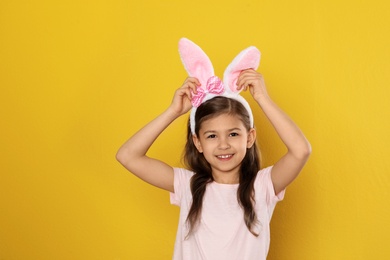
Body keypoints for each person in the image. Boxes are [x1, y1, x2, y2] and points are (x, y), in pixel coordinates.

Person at [116, 39, 311, 259]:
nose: (223, 144)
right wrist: (173, 111)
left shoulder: (263, 186)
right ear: (198, 142)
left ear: (250, 137)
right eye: (211, 136)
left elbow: (300, 150)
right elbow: (127, 156)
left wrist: (262, 98)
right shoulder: (187, 186)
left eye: (234, 134)